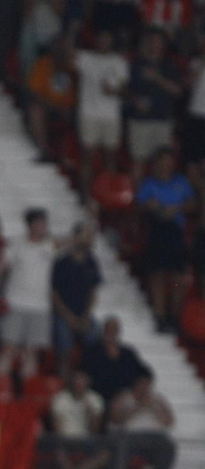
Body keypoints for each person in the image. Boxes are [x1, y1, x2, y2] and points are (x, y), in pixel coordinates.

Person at [0, 208, 57, 380]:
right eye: (41, 224)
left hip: (40, 307)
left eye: (45, 224)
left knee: (31, 351)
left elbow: (73, 240)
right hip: (15, 304)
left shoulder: (49, 246)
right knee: (8, 348)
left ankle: (27, 390)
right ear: (32, 225)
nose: (45, 227)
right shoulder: (16, 245)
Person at [136, 150, 195, 332]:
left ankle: (174, 316)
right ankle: (159, 315)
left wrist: (177, 208)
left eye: (168, 161)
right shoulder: (149, 183)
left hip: (176, 232)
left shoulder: (181, 182)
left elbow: (193, 204)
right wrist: (151, 206)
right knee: (157, 274)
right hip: (157, 231)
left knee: (178, 277)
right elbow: (140, 205)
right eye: (162, 161)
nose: (165, 165)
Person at [73, 30, 128, 197]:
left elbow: (125, 88)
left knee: (110, 157)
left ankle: (108, 196)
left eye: (107, 39)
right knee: (87, 156)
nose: (104, 42)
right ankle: (86, 196)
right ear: (96, 40)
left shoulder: (119, 61)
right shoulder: (85, 57)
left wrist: (114, 91)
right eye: (101, 38)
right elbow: (65, 58)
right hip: (89, 113)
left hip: (111, 115)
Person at [109, 370, 176, 469]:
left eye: (147, 385)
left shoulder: (158, 399)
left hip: (154, 436)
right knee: (120, 446)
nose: (145, 388)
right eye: (142, 384)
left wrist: (154, 408)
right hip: (130, 435)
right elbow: (116, 420)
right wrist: (137, 408)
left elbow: (169, 422)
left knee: (168, 446)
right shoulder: (124, 397)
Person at [51, 222, 102, 375]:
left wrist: (86, 315)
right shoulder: (62, 262)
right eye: (85, 235)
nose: (88, 239)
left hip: (83, 313)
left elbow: (93, 291)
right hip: (63, 313)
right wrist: (69, 317)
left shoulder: (92, 262)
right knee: (64, 344)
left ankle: (86, 376)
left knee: (95, 338)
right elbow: (54, 293)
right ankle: (64, 378)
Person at [127, 29, 184, 168]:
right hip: (140, 120)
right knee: (138, 161)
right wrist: (135, 100)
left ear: (164, 44)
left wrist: (156, 78)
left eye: (158, 41)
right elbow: (125, 89)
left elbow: (177, 91)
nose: (155, 44)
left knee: (161, 163)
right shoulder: (137, 64)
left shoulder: (169, 65)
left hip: (162, 120)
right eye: (152, 41)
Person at [48, 369, 112, 469]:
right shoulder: (60, 399)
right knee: (58, 451)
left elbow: (96, 431)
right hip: (65, 438)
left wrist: (90, 417)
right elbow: (57, 429)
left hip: (87, 439)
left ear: (88, 381)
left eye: (82, 379)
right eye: (77, 379)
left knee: (105, 455)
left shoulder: (95, 399)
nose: (79, 383)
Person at [83, 316, 147, 403]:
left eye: (114, 331)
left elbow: (144, 373)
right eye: (108, 330)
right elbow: (84, 374)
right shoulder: (92, 352)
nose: (111, 334)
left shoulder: (127, 354)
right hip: (98, 396)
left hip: (123, 397)